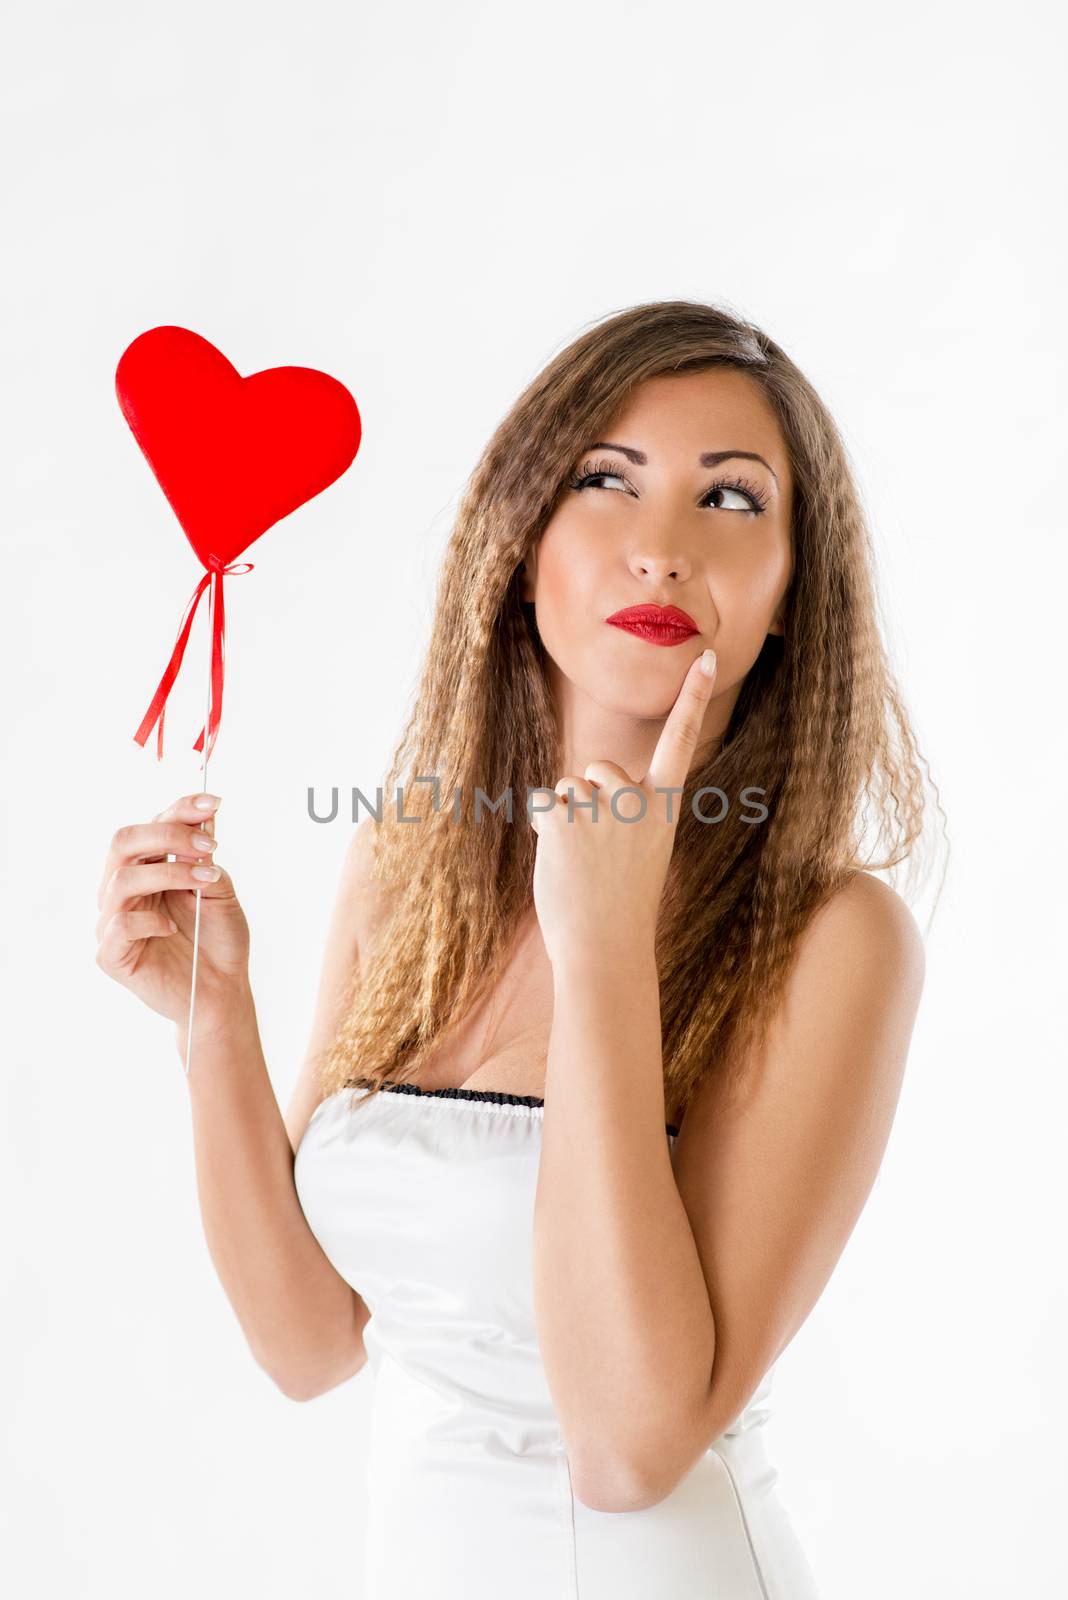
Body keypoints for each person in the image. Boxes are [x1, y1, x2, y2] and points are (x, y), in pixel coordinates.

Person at [95, 300, 942, 1598]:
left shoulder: (832, 937)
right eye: (609, 479)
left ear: (788, 597)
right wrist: (216, 1026)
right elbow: (312, 1343)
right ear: (520, 538)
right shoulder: (412, 861)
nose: (660, 550)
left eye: (730, 501)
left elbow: (629, 1447)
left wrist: (604, 952)